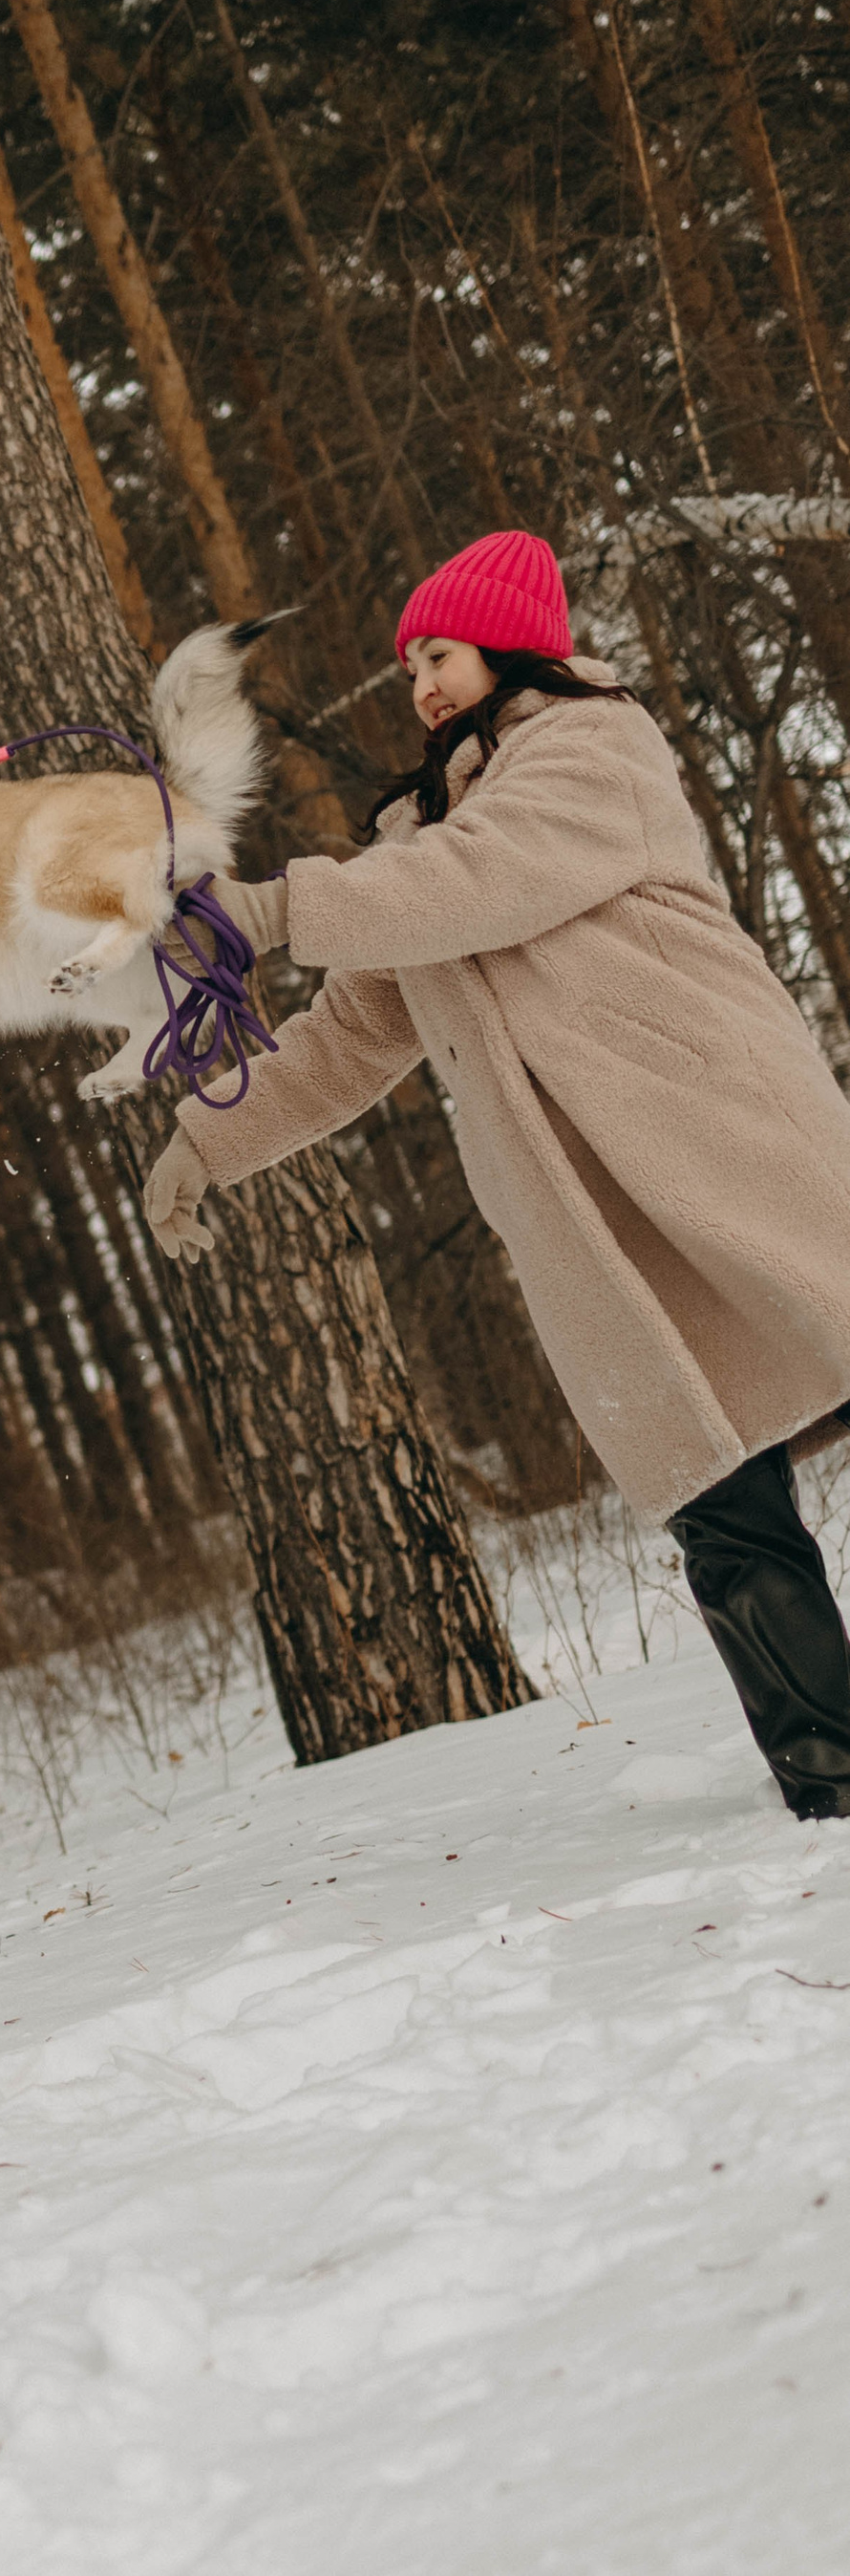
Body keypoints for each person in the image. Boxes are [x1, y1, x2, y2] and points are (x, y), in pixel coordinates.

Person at [142, 529, 850, 1819]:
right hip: (597, 1217)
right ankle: (833, 1777)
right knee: (714, 1492)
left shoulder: (591, 751)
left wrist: (275, 908)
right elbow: (359, 1030)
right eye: (408, 661)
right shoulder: (422, 832)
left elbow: (483, 882)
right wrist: (208, 1139)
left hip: (721, 1144)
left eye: (441, 653)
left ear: (512, 646)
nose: (418, 682)